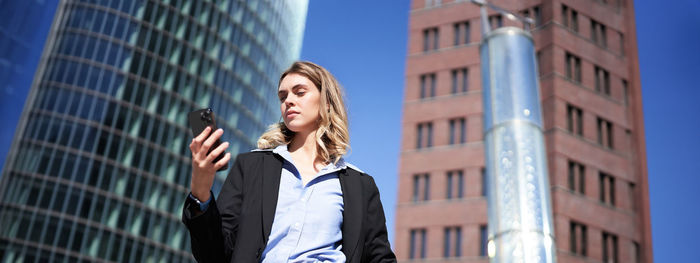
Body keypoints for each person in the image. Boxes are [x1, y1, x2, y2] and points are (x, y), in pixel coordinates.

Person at [182, 61, 396, 263]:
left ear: (327, 103)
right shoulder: (252, 166)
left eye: (300, 92)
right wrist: (201, 188)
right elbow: (213, 255)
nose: (288, 101)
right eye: (282, 97)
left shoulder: (360, 185)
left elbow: (380, 258)